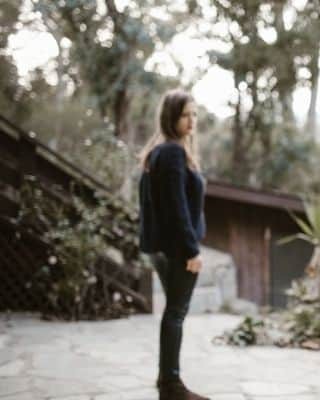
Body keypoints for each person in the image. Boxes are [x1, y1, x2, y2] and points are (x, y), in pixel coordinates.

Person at [138, 89, 209, 400]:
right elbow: (175, 207)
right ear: (171, 117)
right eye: (185, 115)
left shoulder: (160, 152)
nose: (191, 120)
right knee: (175, 314)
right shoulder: (171, 153)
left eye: (194, 114)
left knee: (173, 312)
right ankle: (170, 385)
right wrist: (191, 250)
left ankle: (168, 382)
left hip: (165, 248)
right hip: (177, 250)